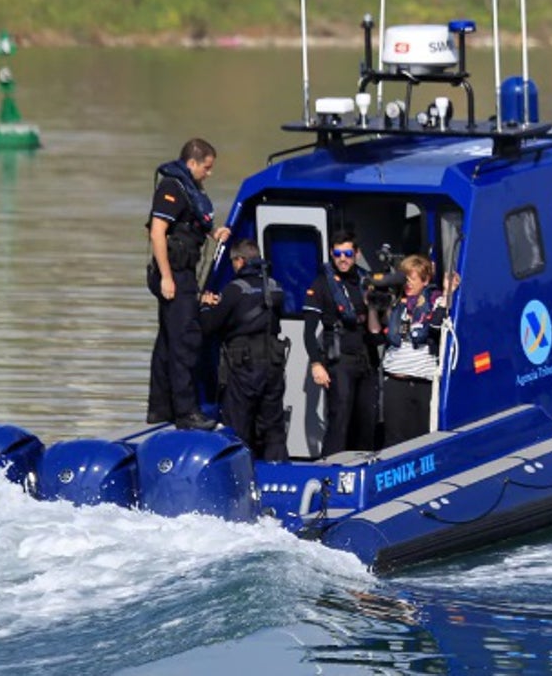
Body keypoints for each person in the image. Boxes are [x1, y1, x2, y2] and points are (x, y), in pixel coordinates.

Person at [146, 137, 230, 430]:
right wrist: (167, 277)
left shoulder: (189, 188)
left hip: (183, 272)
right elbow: (158, 233)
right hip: (175, 274)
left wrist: (214, 233)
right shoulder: (172, 187)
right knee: (185, 341)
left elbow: (192, 223)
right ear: (192, 162)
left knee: (168, 342)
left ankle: (159, 409)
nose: (209, 173)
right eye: (206, 167)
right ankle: (186, 412)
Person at [200, 239, 290, 461]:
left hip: (244, 366)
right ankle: (277, 473)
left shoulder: (234, 290)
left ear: (240, 261)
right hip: (274, 364)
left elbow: (209, 326)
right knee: (273, 425)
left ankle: (239, 477)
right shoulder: (275, 287)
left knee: (238, 425)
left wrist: (205, 306)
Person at [302, 229, 380, 456]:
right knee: (340, 418)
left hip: (366, 359)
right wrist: (316, 363)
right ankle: (331, 469)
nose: (342, 258)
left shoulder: (367, 281)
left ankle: (364, 467)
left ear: (356, 253)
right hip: (340, 361)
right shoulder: (321, 284)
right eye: (337, 254)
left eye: (347, 253)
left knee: (367, 419)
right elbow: (308, 331)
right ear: (331, 253)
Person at [375, 254, 459, 448]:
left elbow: (437, 327)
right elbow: (377, 334)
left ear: (425, 280)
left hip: (423, 381)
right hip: (396, 380)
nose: (408, 284)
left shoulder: (436, 301)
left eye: (412, 279)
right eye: (405, 279)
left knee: (422, 439)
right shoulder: (395, 303)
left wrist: (448, 292)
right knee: (394, 439)